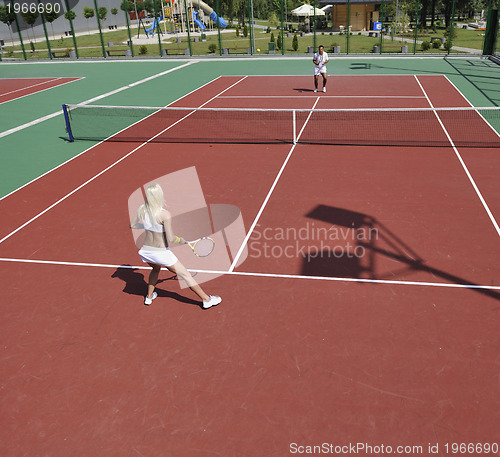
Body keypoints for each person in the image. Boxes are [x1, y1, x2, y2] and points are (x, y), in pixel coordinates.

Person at [131, 183, 222, 309]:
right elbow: (171, 238)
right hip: (161, 253)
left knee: (156, 269)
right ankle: (207, 300)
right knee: (186, 275)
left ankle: (149, 297)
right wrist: (181, 240)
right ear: (159, 196)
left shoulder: (141, 209)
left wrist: (148, 226)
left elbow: (133, 225)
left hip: (146, 251)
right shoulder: (164, 214)